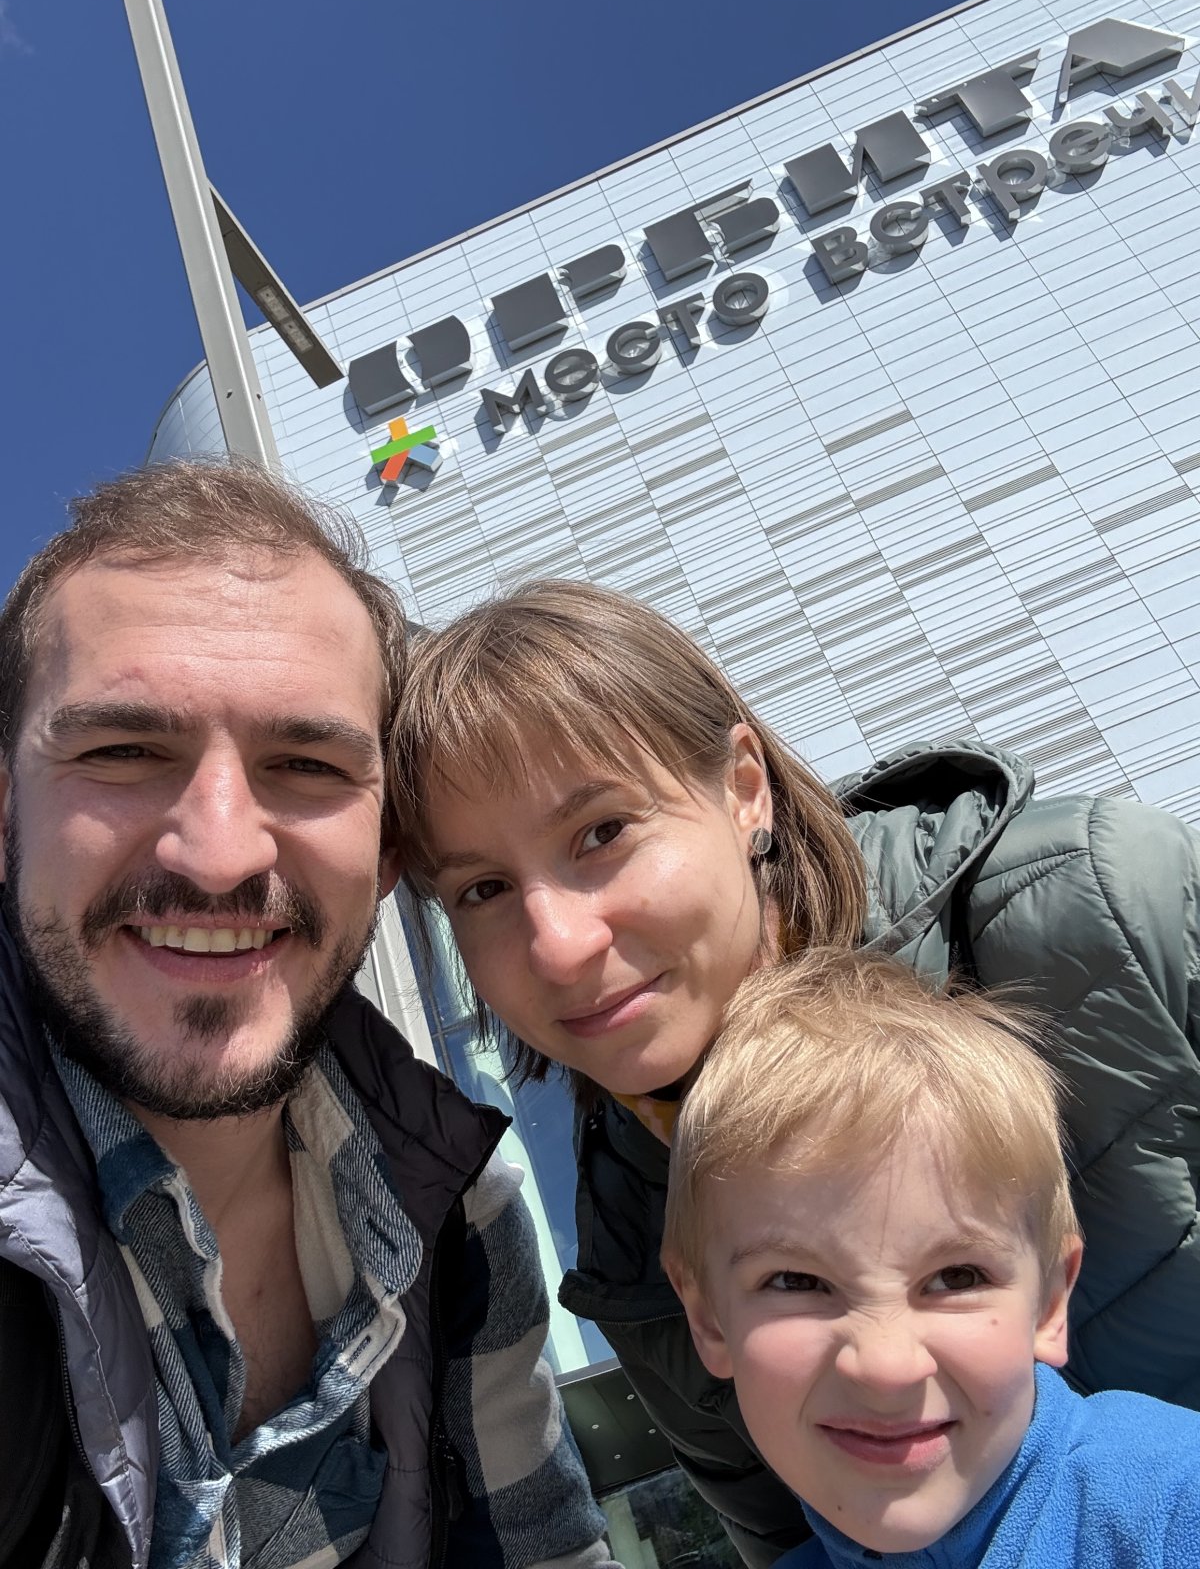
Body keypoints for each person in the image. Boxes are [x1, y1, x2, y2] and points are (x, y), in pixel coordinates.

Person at [390, 577, 1200, 1568]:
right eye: (481, 889)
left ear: (744, 788)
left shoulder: (1100, 913)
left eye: (602, 832)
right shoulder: (628, 1236)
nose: (557, 946)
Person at [0, 465, 623, 1569]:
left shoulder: (457, 1214)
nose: (220, 853)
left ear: (387, 855)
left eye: (306, 763)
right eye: (123, 752)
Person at [661, 951, 1200, 1568]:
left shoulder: (1176, 1504)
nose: (886, 1368)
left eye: (956, 1277)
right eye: (796, 1280)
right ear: (707, 1318)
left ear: (1051, 1303)